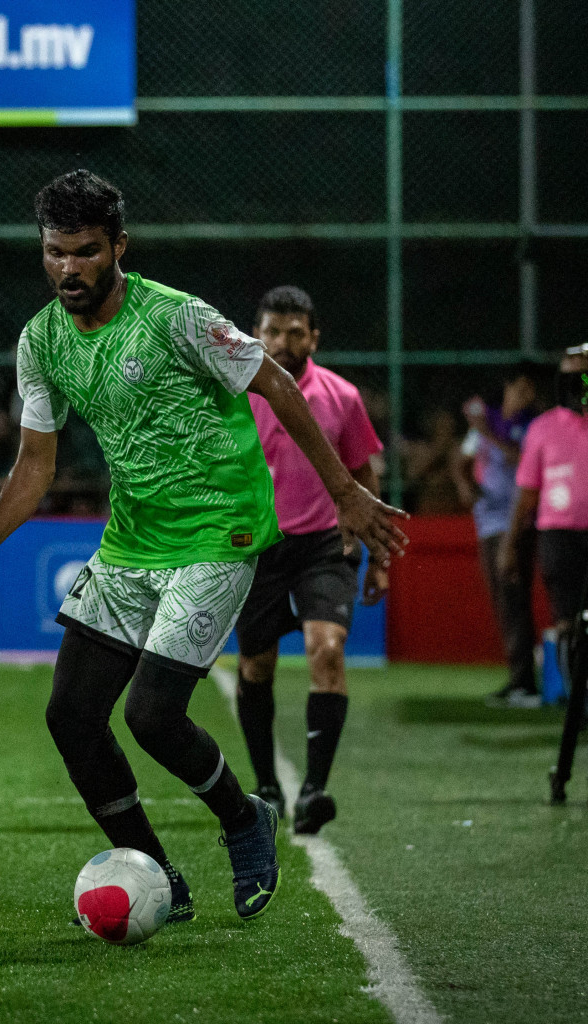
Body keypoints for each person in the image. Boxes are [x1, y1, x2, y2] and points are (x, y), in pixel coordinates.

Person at [0, 170, 407, 924]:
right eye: (55, 252)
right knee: (70, 716)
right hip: (134, 539)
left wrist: (344, 492)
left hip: (218, 530)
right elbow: (37, 462)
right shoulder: (40, 341)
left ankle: (243, 819)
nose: (69, 268)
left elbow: (277, 384)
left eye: (86, 252)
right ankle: (160, 877)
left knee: (153, 716)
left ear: (119, 247)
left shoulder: (178, 318)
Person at [232, 286, 387, 834]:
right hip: (256, 548)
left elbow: (365, 476)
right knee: (257, 666)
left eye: (295, 332)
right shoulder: (234, 393)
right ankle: (267, 786)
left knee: (328, 651)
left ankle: (315, 790)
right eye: (272, 330)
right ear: (256, 333)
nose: (282, 341)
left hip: (324, 544)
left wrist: (380, 556)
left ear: (313, 337)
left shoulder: (342, 397)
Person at [501, 346, 588, 696]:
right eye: (568, 377)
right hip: (558, 535)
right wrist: (508, 545)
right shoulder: (543, 428)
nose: (576, 385)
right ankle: (578, 702)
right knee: (567, 622)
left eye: (582, 376)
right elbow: (526, 492)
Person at [455, 369, 540, 706]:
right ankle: (518, 678)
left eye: (531, 390)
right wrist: (467, 488)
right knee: (502, 601)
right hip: (488, 521)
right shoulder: (487, 422)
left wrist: (483, 430)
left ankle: (525, 683)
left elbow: (520, 462)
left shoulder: (530, 426)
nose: (526, 396)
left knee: (514, 599)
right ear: (507, 387)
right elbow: (460, 461)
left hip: (516, 522)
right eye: (522, 388)